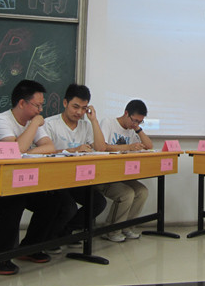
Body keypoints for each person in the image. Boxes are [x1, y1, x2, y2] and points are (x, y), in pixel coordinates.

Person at [0, 79, 59, 275]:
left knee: (52, 201)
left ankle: (30, 248)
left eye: (41, 106)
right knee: (14, 202)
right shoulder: (0, 121)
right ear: (22, 103)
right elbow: (16, 149)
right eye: (37, 105)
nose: (40, 110)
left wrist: (26, 152)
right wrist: (33, 126)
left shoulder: (31, 122)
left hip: (20, 182)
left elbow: (49, 147)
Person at [44, 84, 108, 250]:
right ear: (65, 103)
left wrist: (94, 120)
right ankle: (50, 238)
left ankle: (64, 232)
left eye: (84, 108)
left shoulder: (86, 126)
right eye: (75, 107)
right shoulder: (50, 124)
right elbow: (43, 153)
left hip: (78, 178)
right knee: (69, 207)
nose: (79, 112)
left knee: (98, 202)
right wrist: (71, 150)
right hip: (54, 179)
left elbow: (101, 148)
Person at [97, 99, 153, 242]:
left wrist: (138, 129)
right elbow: (102, 147)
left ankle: (126, 227)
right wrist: (128, 147)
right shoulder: (108, 123)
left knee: (142, 192)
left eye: (140, 122)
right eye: (134, 120)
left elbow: (149, 146)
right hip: (105, 175)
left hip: (122, 176)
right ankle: (111, 230)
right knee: (127, 193)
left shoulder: (132, 130)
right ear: (126, 113)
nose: (135, 124)